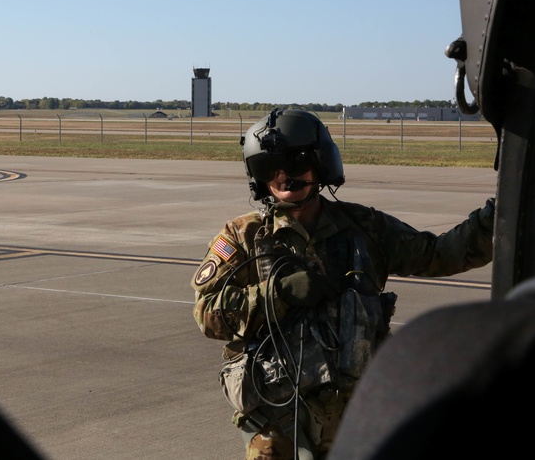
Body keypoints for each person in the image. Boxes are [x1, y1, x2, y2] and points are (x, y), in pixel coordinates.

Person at [192, 108, 494, 460]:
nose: (283, 177)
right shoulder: (243, 237)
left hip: (357, 417)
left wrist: (495, 220)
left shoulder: (363, 228)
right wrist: (278, 294)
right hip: (279, 425)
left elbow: (441, 254)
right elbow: (207, 314)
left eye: (295, 164)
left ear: (320, 164)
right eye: (269, 168)